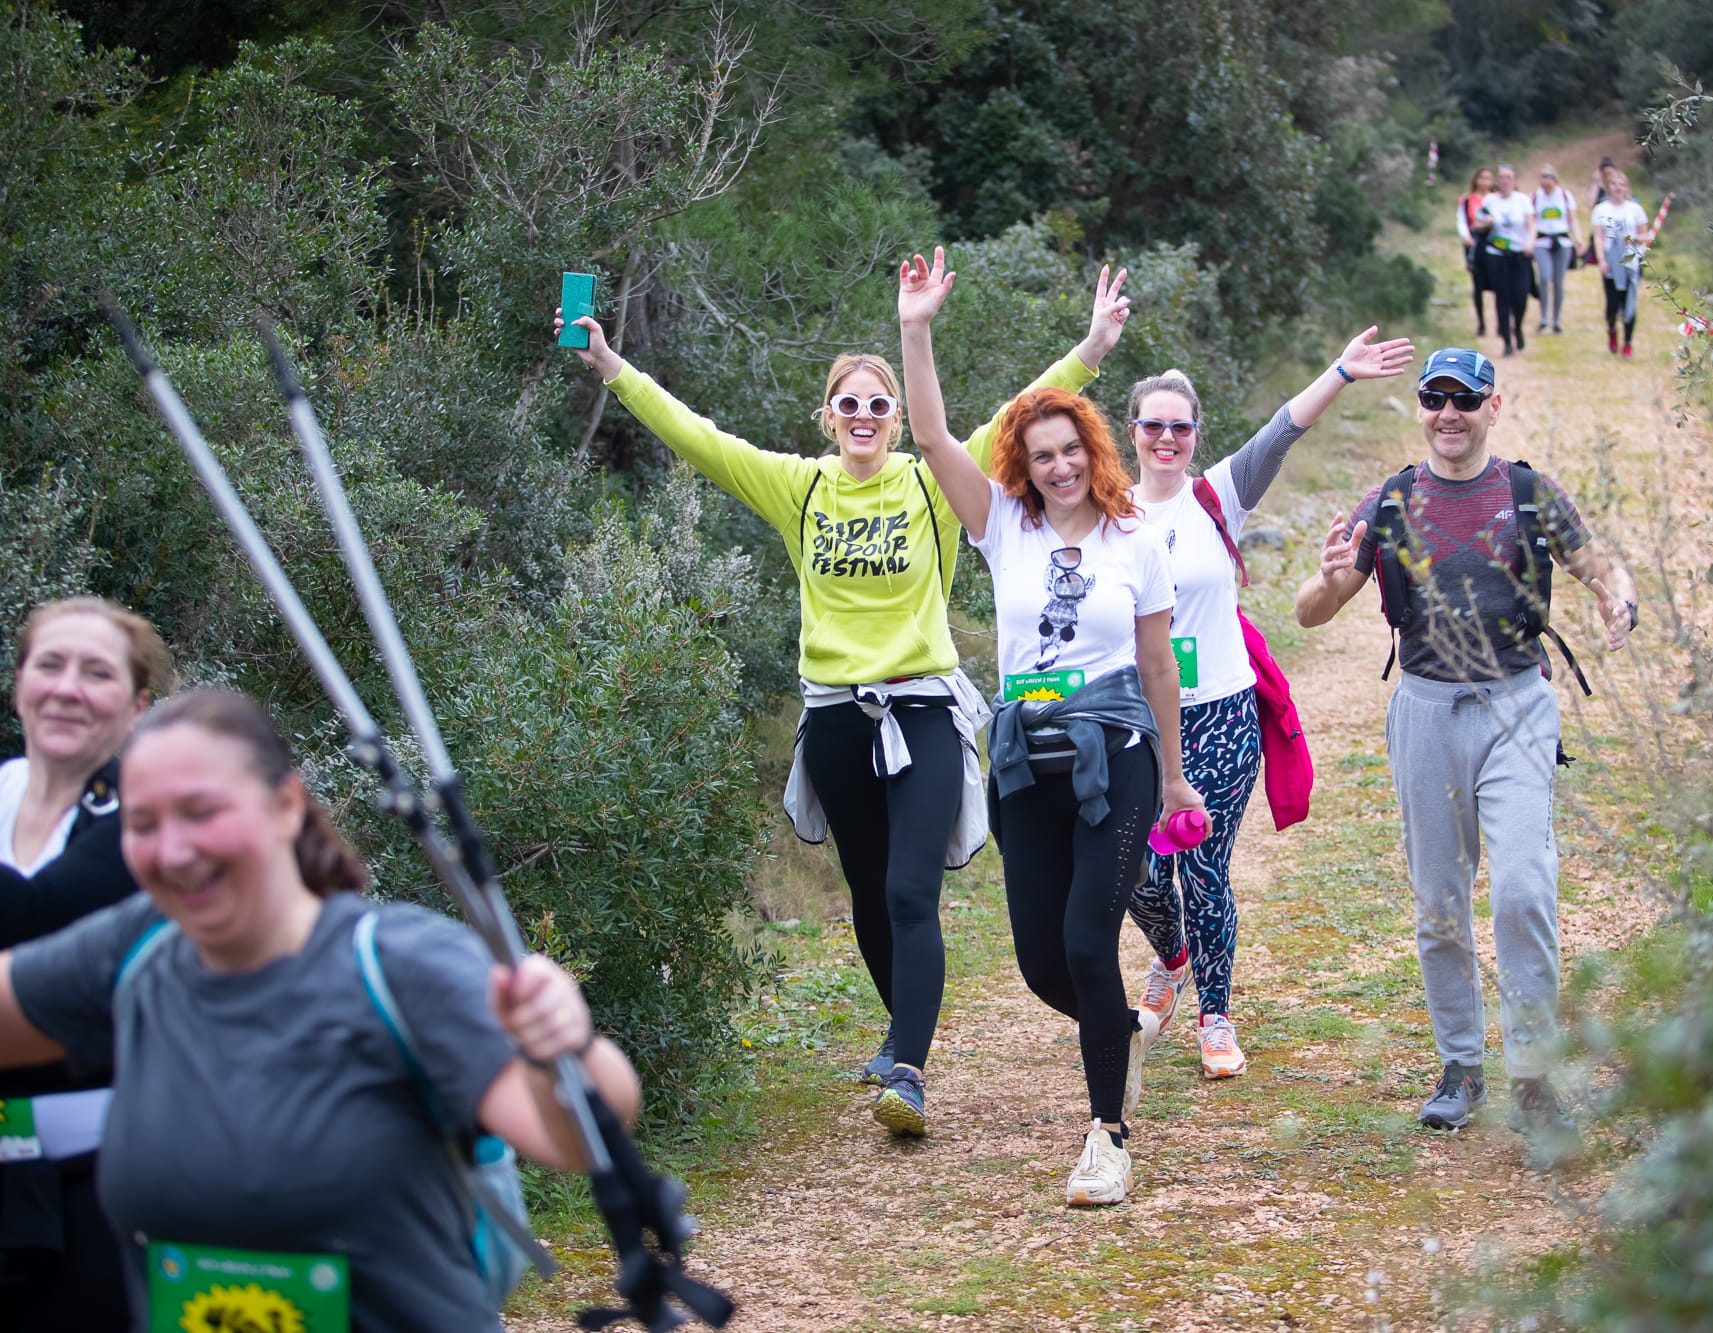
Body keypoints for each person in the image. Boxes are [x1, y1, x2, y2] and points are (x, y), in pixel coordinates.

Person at [556, 269, 1131, 1138]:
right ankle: (899, 1027)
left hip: (922, 709)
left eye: (879, 405)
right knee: (867, 890)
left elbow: (1021, 412)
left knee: (909, 891)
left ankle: (909, 1070)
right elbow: (698, 437)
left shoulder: (932, 484)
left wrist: (1089, 349)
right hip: (833, 718)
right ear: (828, 417)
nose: (865, 416)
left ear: (897, 419)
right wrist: (610, 365)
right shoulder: (801, 487)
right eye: (849, 404)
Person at [0, 688, 641, 1331]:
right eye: (144, 824)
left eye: (201, 812)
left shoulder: (401, 962)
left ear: (286, 805)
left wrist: (567, 1045)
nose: (173, 851)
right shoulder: (134, 949)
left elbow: (576, 1136)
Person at [898, 251, 1204, 1208]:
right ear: (1022, 467)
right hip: (1025, 757)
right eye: (1042, 455)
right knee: (1040, 960)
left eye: (1072, 449)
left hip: (1118, 753)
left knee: (1083, 937)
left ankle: (1107, 1136)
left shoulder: (1136, 537)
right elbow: (930, 433)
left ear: (1094, 450)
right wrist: (915, 327)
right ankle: (1121, 1033)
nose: (1061, 465)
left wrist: (1176, 775)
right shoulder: (1001, 526)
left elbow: (1158, 666)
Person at [1292, 348, 1637, 1169]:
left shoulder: (1528, 493)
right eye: (1434, 398)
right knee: (1439, 902)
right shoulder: (1391, 500)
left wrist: (1617, 597)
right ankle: (1461, 1066)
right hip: (1426, 710)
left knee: (1523, 889)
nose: (1449, 413)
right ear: (1421, 407)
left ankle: (1535, 1078)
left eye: (1465, 399)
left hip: (1517, 706)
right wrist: (1328, 578)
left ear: (1493, 406)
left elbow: (1598, 564)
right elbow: (1311, 613)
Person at [1119, 329, 1414, 1082]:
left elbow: (1284, 429)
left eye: (1181, 426)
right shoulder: (1105, 512)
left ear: (1196, 433)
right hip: (1134, 719)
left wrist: (1342, 371)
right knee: (1134, 871)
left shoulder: (1218, 493)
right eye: (1153, 425)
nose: (1166, 438)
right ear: (1132, 431)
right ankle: (1172, 956)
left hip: (1219, 712)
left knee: (1203, 867)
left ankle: (1215, 1015)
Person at [0, 598, 171, 1331]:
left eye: (97, 672)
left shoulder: (150, 821)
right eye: (50, 664)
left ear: (137, 707)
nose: (68, 687)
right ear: (19, 685)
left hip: (99, 1183)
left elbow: (44, 921)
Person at [1475, 165, 1535, 356]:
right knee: (1502, 297)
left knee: (1521, 296)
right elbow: (1478, 224)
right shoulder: (1490, 201)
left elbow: (1531, 225)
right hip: (1497, 254)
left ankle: (1517, 327)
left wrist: (1530, 243)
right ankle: (1507, 341)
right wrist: (1487, 223)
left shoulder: (1523, 200)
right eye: (1501, 177)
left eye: (1508, 177)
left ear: (1515, 180)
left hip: (1519, 254)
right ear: (1497, 181)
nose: (1505, 181)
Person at [1592, 171, 1652, 359]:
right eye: (1614, 184)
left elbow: (1645, 237)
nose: (1618, 188)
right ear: (1609, 187)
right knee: (1612, 304)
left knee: (1629, 304)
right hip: (1611, 262)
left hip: (1631, 262)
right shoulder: (1601, 209)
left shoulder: (1635, 210)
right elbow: (1598, 237)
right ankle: (1611, 328)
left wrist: (1633, 239)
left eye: (1621, 184)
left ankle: (1627, 343)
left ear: (1626, 188)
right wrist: (1601, 260)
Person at [1530, 165, 1579, 334]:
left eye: (1549, 184)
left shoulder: (1565, 196)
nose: (1546, 188)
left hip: (1562, 242)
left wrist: (1578, 239)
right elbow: (1531, 221)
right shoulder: (1535, 197)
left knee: (1559, 282)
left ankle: (1556, 320)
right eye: (1543, 184)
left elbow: (1573, 219)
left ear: (1555, 181)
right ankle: (1544, 318)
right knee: (1544, 278)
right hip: (1542, 242)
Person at [1454, 167, 1496, 337]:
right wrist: (1466, 236)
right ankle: (1481, 323)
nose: (1485, 182)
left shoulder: (1495, 199)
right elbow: (1462, 220)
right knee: (1477, 285)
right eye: (1482, 178)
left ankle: (1501, 321)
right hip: (1475, 244)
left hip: (1493, 243)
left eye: (1488, 178)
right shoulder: (1467, 200)